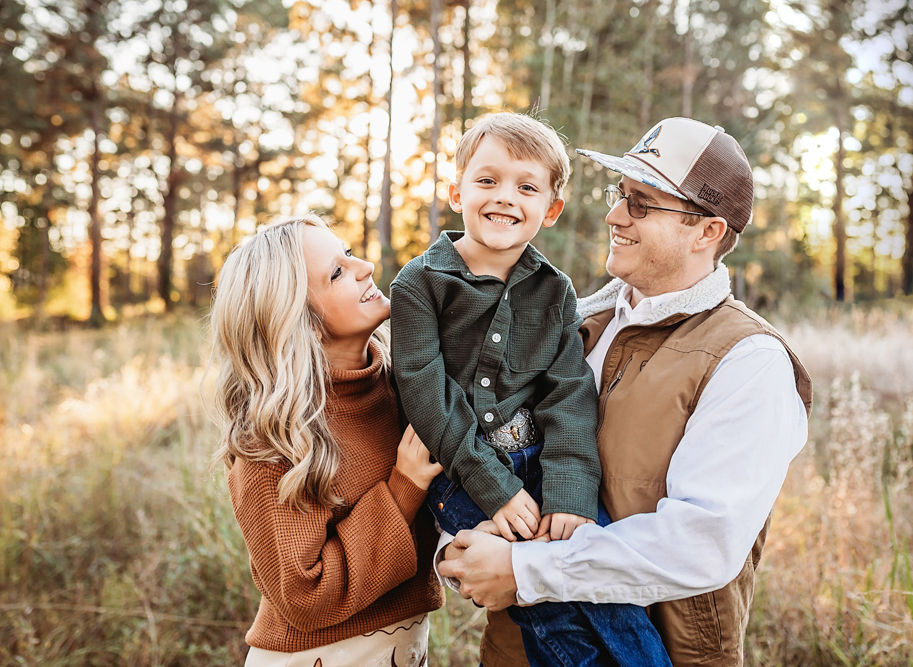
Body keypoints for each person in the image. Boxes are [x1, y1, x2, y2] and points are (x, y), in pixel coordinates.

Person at [438, 117, 814, 667]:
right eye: (621, 194)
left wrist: (524, 571)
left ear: (707, 231)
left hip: (662, 650)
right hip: (515, 650)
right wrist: (459, 544)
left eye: (642, 203)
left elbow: (702, 542)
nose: (614, 215)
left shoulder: (749, 361)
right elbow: (473, 442)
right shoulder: (571, 320)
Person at [389, 112, 671, 667]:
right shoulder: (418, 285)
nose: (505, 198)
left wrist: (568, 490)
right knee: (547, 607)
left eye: (527, 187)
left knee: (602, 587)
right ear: (456, 191)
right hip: (461, 473)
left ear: (550, 210)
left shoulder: (555, 289)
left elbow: (567, 393)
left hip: (543, 463)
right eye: (487, 180)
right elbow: (426, 394)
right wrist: (493, 485)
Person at [210, 215, 444, 667]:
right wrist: (402, 489)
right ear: (298, 320)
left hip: (406, 647)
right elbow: (304, 594)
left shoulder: (405, 386)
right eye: (337, 272)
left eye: (350, 254)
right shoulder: (273, 438)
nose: (367, 267)